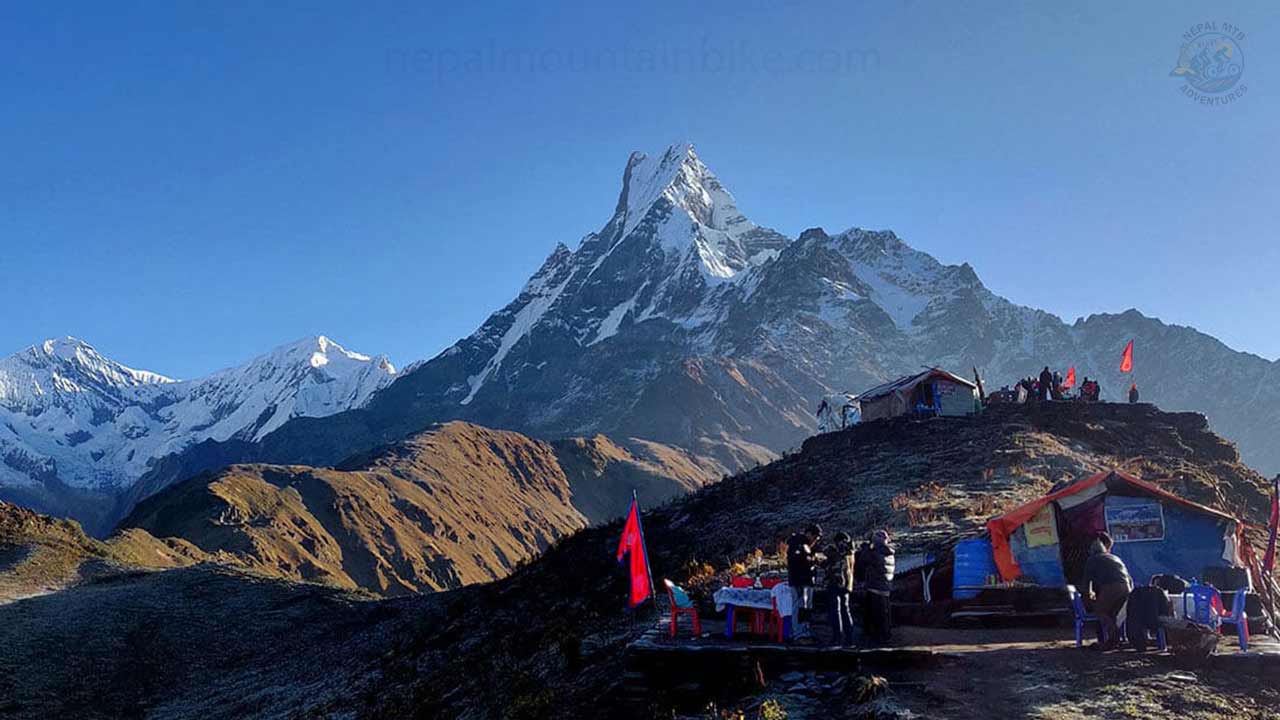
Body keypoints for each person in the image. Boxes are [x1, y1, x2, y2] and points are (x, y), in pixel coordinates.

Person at [1083, 532, 1132, 650]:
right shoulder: (1115, 557)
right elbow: (1129, 579)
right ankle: (1116, 638)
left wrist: (1088, 597)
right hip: (1126, 587)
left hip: (1111, 587)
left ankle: (1113, 640)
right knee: (1113, 614)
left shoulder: (1092, 560)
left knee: (1101, 611)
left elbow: (1086, 584)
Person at [786, 523, 822, 639]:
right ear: (809, 534)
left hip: (806, 580)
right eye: (815, 537)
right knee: (799, 607)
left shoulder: (808, 546)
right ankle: (798, 633)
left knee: (806, 608)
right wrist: (812, 560)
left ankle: (804, 631)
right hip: (799, 581)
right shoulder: (798, 544)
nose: (815, 540)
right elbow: (797, 561)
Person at [822, 532, 856, 646]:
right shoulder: (851, 552)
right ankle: (849, 638)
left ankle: (837, 637)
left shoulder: (837, 552)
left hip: (835, 582)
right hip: (847, 584)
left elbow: (827, 558)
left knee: (835, 611)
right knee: (845, 610)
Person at [862, 529, 896, 645]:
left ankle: (878, 639)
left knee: (876, 615)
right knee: (885, 614)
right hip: (885, 587)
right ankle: (886, 636)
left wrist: (866, 546)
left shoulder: (877, 552)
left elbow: (864, 559)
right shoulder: (888, 552)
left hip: (875, 587)